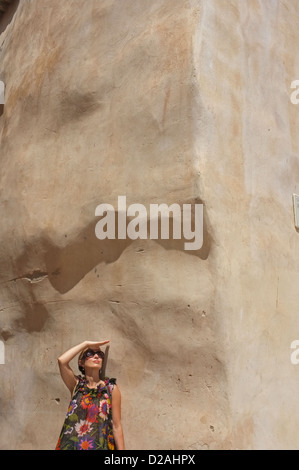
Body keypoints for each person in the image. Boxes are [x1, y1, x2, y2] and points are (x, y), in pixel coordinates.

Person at [55, 340, 125, 450]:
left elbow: (116, 426)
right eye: (89, 354)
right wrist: (86, 343)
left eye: (100, 354)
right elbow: (62, 361)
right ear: (81, 362)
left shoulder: (110, 389)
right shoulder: (77, 385)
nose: (96, 356)